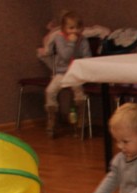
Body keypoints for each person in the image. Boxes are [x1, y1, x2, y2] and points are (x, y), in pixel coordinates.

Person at [37, 10, 92, 138]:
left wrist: (82, 62)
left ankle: (81, 120)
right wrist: (71, 42)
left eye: (78, 28)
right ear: (64, 28)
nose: (75, 31)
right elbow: (65, 55)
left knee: (79, 92)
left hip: (76, 73)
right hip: (62, 73)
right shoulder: (59, 38)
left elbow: (87, 56)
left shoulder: (83, 40)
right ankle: (52, 121)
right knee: (50, 91)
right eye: (71, 28)